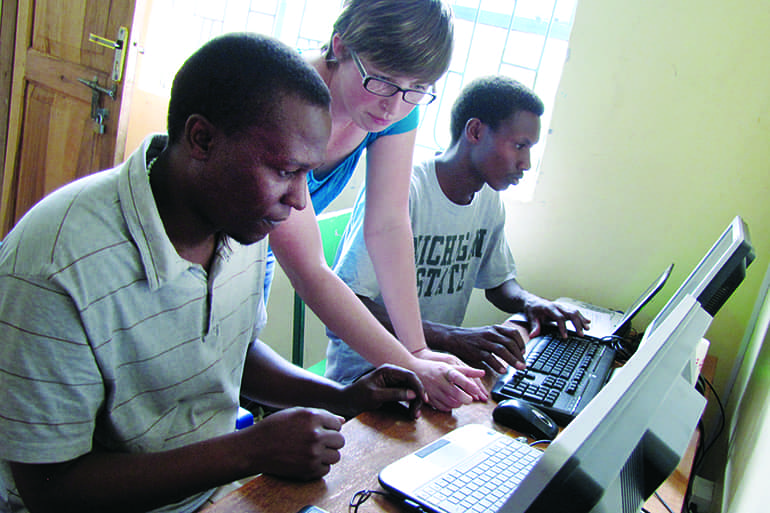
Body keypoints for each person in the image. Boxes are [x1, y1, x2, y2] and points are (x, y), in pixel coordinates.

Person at [0, 33, 431, 513]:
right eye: (286, 170)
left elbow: (232, 353)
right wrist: (248, 450)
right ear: (202, 138)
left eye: (307, 174)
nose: (299, 200)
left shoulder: (237, 222)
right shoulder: (58, 265)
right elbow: (51, 488)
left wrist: (343, 398)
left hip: (217, 497)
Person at [265, 0, 488, 409]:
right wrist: (407, 362)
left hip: (258, 240)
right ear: (341, 47)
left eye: (417, 89)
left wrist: (416, 349)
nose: (394, 105)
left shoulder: (395, 105)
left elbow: (388, 224)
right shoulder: (287, 97)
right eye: (382, 81)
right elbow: (310, 270)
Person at [325, 76, 590, 385]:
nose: (526, 163)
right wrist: (451, 338)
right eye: (519, 146)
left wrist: (532, 303)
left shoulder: (488, 198)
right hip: (372, 376)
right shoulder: (403, 191)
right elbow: (350, 299)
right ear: (475, 131)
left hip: (438, 367)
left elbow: (499, 283)